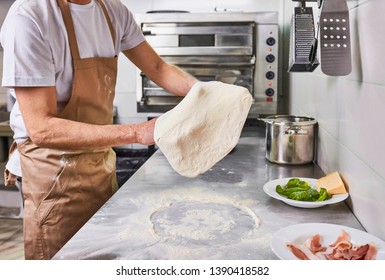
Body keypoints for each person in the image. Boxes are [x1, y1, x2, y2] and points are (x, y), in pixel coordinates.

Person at [0, 0, 197, 260]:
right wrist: (138, 132)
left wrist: (205, 93)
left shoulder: (112, 11)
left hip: (99, 163)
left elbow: (158, 68)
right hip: (51, 173)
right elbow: (42, 128)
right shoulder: (30, 16)